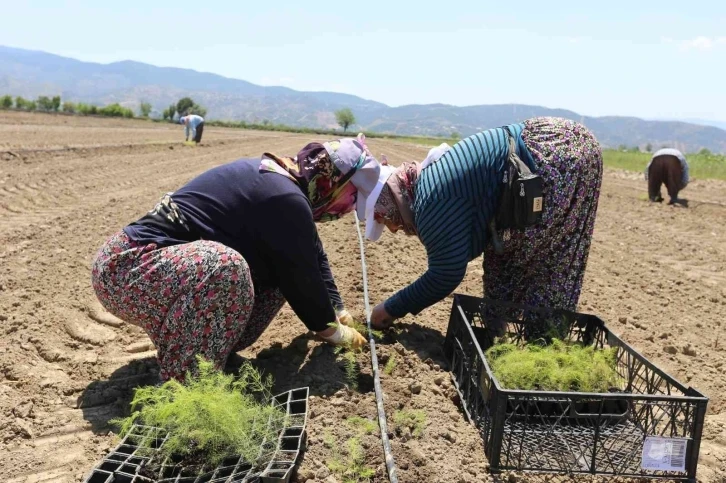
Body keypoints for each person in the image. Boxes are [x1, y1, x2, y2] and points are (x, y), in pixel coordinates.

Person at [90, 139, 385, 381]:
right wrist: (331, 330)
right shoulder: (285, 197)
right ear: (331, 181)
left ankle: (195, 346)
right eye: (350, 197)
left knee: (279, 267)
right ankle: (187, 386)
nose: (346, 208)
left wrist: (338, 309)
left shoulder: (288, 187)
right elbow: (303, 282)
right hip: (127, 268)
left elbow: (312, 256)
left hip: (163, 272)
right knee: (227, 267)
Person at [342, 117, 603, 330]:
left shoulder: (430, 204)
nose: (394, 229)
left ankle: (545, 343)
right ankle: (502, 335)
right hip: (553, 139)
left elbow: (445, 274)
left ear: (388, 203)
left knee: (544, 264)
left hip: (556, 160)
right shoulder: (426, 183)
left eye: (384, 220)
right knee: (503, 260)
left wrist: (387, 310)